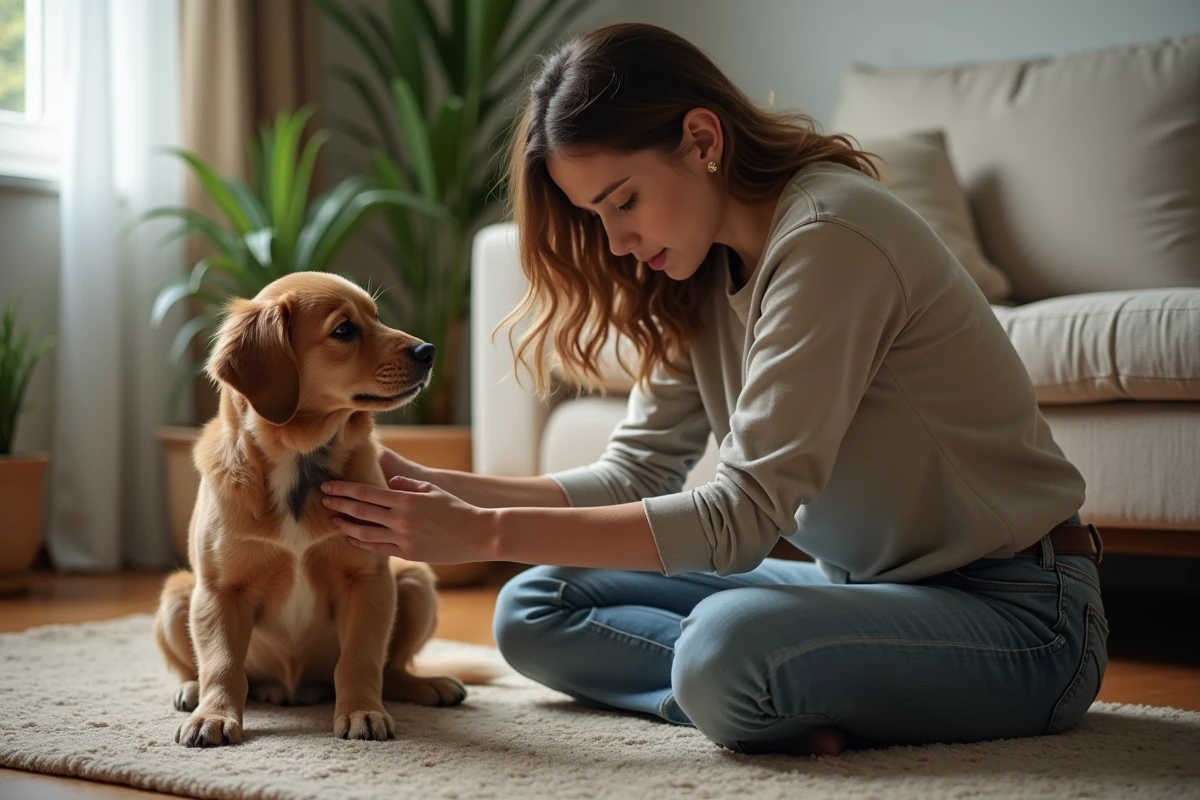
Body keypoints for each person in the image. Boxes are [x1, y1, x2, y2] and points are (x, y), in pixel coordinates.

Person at [320, 22, 1108, 757]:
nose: (617, 243)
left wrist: (482, 533)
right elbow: (631, 476)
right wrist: (433, 487)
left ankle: (755, 687)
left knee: (727, 644)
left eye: (623, 201)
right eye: (595, 218)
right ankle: (766, 697)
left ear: (701, 140)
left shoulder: (831, 237)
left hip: (1023, 615)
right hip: (863, 589)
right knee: (534, 605)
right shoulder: (691, 270)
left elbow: (741, 518)